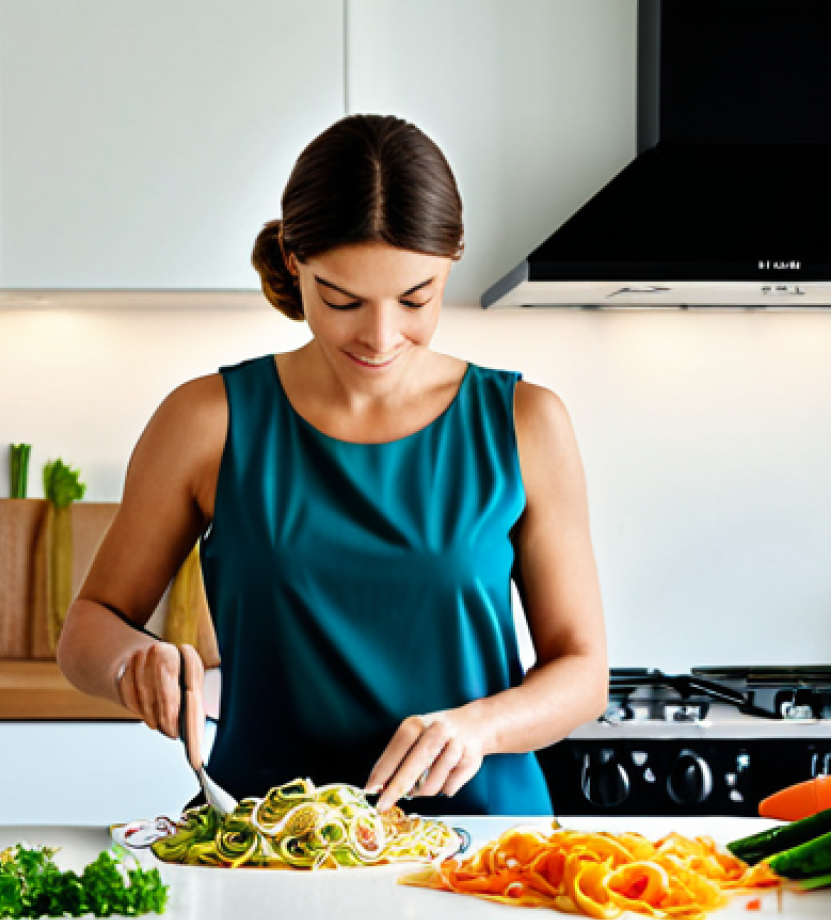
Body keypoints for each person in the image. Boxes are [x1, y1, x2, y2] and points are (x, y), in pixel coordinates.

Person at [57, 113, 608, 816]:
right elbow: (89, 627)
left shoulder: (525, 422)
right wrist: (133, 661)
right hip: (264, 846)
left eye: (416, 299)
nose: (380, 337)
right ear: (294, 262)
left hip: (481, 849)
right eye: (342, 300)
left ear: (451, 265)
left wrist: (479, 727)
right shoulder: (206, 421)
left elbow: (584, 671)